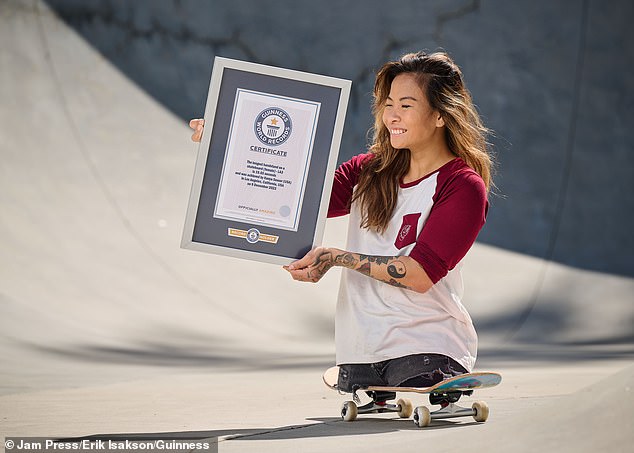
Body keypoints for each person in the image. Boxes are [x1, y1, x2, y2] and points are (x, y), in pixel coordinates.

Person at [190, 51, 493, 401]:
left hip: (425, 343)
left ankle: (447, 373)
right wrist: (226, 142)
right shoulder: (369, 171)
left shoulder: (462, 185)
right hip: (359, 349)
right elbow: (293, 192)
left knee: (416, 370)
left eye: (406, 106)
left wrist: (336, 257)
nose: (391, 115)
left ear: (440, 114)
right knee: (365, 375)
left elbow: (419, 274)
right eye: (388, 103)